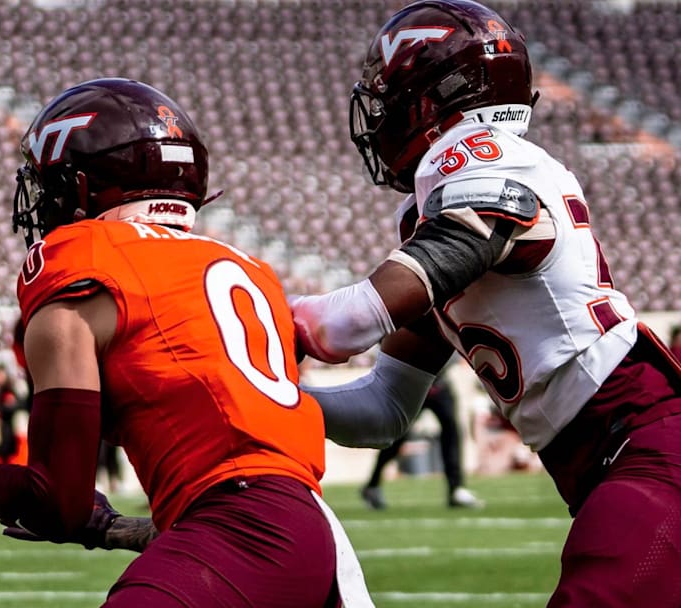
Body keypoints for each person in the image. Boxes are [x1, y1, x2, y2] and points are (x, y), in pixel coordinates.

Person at [0, 77, 373, 607]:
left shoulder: (81, 260)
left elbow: (57, 504)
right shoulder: (247, 267)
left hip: (240, 531)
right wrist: (113, 526)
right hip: (307, 533)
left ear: (82, 188)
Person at [290, 2, 681, 605]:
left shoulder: (482, 159)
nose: (380, 116)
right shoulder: (438, 214)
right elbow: (383, 406)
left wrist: (253, 325)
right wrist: (271, 401)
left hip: (650, 445)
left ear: (437, 96)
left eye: (393, 96)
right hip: (609, 456)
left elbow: (342, 327)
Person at [360, 373, 483, 510]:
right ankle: (373, 484)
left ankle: (456, 488)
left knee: (451, 432)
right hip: (412, 387)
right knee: (397, 436)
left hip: (438, 385)